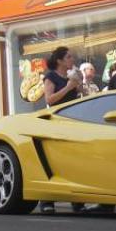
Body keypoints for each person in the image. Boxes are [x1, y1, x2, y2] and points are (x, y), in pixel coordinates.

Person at [40, 46, 83, 214]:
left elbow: (79, 95)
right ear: (60, 61)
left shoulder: (71, 76)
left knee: (73, 161)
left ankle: (76, 199)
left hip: (72, 121)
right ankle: (47, 200)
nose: (72, 60)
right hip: (56, 122)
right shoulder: (50, 77)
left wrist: (79, 86)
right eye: (69, 57)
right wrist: (68, 87)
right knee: (54, 161)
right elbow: (50, 100)